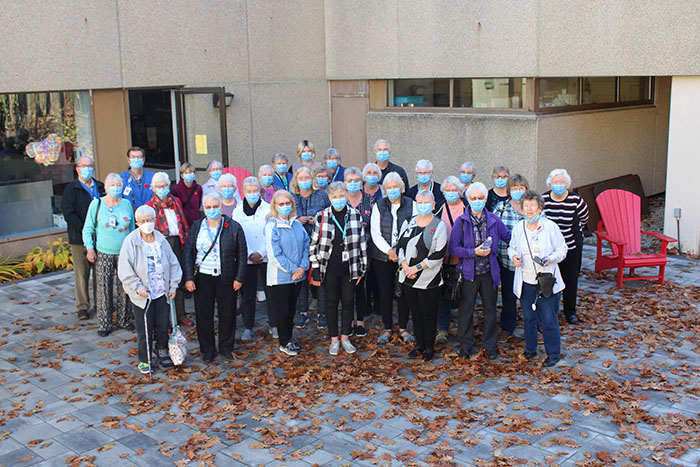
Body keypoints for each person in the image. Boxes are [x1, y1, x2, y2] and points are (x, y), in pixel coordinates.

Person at [183, 191, 248, 362]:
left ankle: (226, 346)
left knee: (228, 313)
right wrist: (189, 278)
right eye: (208, 207)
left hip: (226, 276)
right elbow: (189, 254)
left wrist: (239, 278)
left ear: (221, 207)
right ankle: (207, 349)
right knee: (204, 315)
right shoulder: (197, 227)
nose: (212, 210)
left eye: (215, 206)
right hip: (203, 277)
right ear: (203, 209)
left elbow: (242, 254)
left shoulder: (233, 227)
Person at [449, 182, 511, 360]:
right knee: (466, 311)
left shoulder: (494, 220)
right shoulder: (461, 222)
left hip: (489, 273)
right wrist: (473, 252)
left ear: (486, 199)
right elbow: (454, 249)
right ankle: (466, 346)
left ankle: (490, 346)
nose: (477, 201)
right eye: (473, 198)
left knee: (490, 311)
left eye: (480, 198)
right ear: (468, 200)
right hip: (468, 274)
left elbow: (508, 237)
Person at [118, 205, 182, 374]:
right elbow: (125, 270)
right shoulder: (130, 241)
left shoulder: (161, 240)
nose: (147, 223)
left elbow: (173, 263)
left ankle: (162, 351)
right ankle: (144, 357)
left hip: (161, 292)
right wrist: (138, 287)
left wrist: (173, 285)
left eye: (150, 220)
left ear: (155, 221)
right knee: (145, 328)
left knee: (162, 325)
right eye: (143, 221)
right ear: (137, 222)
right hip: (143, 295)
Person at [509, 190, 567, 367]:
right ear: (521, 209)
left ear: (540, 208)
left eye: (533, 206)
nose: (529, 210)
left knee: (549, 320)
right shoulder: (519, 228)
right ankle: (531, 349)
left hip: (546, 281)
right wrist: (514, 257)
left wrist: (551, 258)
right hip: (526, 282)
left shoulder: (550, 226)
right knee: (529, 319)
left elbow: (562, 249)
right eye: (526, 206)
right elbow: (512, 248)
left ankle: (553, 353)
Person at [309, 182, 367, 355]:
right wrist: (316, 268)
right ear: (329, 198)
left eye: (341, 196)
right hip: (329, 268)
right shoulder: (322, 216)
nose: (339, 199)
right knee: (331, 303)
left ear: (346, 196)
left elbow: (362, 244)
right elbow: (314, 245)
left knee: (349, 303)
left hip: (350, 268)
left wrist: (362, 269)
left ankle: (345, 337)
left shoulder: (356, 215)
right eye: (335, 197)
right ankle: (334, 339)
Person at [82, 173, 136, 337]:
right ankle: (104, 323)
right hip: (104, 252)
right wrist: (90, 249)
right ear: (105, 187)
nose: (116, 187)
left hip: (124, 253)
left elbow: (132, 229)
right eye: (112, 184)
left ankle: (124, 319)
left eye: (118, 184)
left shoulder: (126, 204)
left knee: (125, 287)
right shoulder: (97, 204)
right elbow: (88, 229)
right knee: (104, 287)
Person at [397, 190, 448, 361]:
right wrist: (405, 266)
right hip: (408, 278)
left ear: (433, 205)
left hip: (428, 280)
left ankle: (428, 347)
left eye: (427, 202)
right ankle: (419, 344)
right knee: (415, 313)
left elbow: (438, 253)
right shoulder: (410, 222)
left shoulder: (439, 225)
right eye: (420, 202)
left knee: (428, 314)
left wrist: (416, 268)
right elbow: (400, 246)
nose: (423, 205)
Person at [369, 172, 415, 344]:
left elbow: (415, 229)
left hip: (406, 257)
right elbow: (375, 233)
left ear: (402, 188)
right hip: (383, 257)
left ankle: (403, 327)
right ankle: (387, 327)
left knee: (403, 293)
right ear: (385, 189)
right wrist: (389, 251)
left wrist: (402, 253)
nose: (393, 190)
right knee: (385, 292)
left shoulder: (412, 204)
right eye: (389, 187)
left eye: (396, 187)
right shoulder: (378, 206)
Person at [264, 190, 310, 356]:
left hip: (297, 276)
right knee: (283, 311)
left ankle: (289, 337)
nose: (285, 207)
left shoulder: (297, 224)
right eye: (281, 204)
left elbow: (306, 245)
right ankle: (284, 342)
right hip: (281, 277)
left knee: (291, 310)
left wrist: (302, 267)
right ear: (275, 206)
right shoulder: (272, 226)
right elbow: (275, 255)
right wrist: (293, 269)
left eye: (287, 203)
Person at [543, 169, 589, 325]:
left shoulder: (576, 200)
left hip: (571, 247)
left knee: (570, 280)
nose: (558, 185)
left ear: (567, 184)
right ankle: (550, 312)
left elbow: (584, 218)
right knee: (549, 281)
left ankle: (570, 312)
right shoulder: (544, 200)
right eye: (555, 182)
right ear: (550, 183)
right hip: (550, 249)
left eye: (561, 182)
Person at [61, 156, 105, 321]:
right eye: (83, 166)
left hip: (100, 238)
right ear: (77, 169)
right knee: (82, 274)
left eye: (90, 166)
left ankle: (101, 303)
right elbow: (68, 213)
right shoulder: (71, 189)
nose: (87, 168)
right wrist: (86, 229)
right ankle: (82, 307)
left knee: (100, 273)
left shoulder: (100, 187)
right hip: (79, 238)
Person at [146, 172, 192, 326]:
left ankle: (180, 314)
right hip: (160, 244)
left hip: (177, 242)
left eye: (165, 185)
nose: (162, 188)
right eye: (159, 186)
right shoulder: (149, 206)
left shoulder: (176, 202)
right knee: (162, 280)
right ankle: (164, 318)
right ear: (153, 188)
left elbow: (183, 222)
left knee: (176, 278)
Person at [232, 177, 272, 340]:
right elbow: (237, 235)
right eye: (249, 191)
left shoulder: (268, 209)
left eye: (255, 191)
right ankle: (248, 326)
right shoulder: (237, 211)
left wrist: (261, 253)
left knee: (271, 292)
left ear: (260, 191)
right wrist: (248, 253)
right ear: (243, 192)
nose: (252, 194)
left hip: (265, 256)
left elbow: (271, 233)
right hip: (246, 257)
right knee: (248, 294)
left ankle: (274, 324)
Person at [291, 166, 330, 329]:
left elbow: (330, 214)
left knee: (319, 277)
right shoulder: (292, 197)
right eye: (301, 178)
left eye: (307, 178)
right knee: (300, 278)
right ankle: (303, 312)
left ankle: (322, 313)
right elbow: (285, 217)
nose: (305, 181)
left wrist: (319, 220)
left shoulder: (321, 195)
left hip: (319, 242)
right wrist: (296, 220)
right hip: (298, 243)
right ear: (296, 180)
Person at [493, 174, 529, 342]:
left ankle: (533, 327)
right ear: (509, 191)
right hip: (506, 261)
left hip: (529, 263)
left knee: (530, 296)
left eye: (521, 188)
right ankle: (507, 327)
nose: (518, 191)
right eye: (515, 188)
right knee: (508, 295)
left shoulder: (532, 208)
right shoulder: (501, 208)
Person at [433, 176, 467, 345]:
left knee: (464, 297)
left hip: (463, 260)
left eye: (454, 190)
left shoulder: (467, 206)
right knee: (443, 297)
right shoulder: (439, 206)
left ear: (461, 191)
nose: (451, 193)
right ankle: (443, 330)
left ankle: (464, 330)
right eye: (448, 190)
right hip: (442, 260)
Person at [345, 167, 375, 336]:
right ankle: (348, 321)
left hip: (364, 250)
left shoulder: (369, 200)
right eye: (350, 181)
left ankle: (360, 321)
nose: (353, 183)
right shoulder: (340, 200)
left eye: (356, 180)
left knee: (361, 286)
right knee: (347, 287)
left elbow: (374, 224)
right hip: (345, 251)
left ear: (361, 182)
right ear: (344, 183)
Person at [171, 162, 203, 227]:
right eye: (186, 173)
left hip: (196, 221)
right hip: (183, 222)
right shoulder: (176, 189)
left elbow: (198, 204)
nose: (189, 175)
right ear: (182, 175)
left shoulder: (198, 188)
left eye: (191, 172)